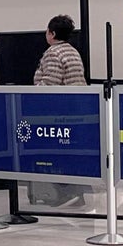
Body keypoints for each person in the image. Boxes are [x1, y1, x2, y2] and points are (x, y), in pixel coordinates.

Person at [29, 14, 88, 207]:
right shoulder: (72, 51)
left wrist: (28, 93)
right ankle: (75, 193)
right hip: (77, 110)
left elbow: (50, 84)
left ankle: (65, 193)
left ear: (52, 33)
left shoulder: (53, 53)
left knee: (58, 152)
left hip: (61, 113)